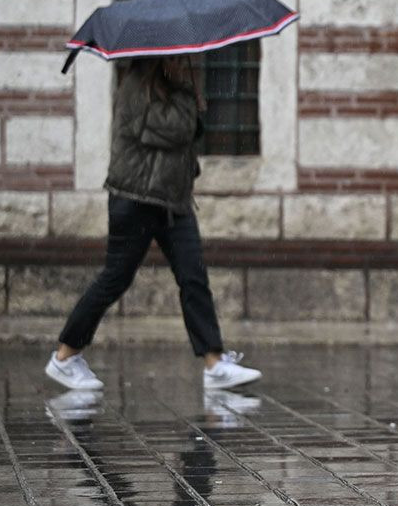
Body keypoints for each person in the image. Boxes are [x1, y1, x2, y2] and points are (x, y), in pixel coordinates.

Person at [45, 56, 261, 392]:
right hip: (135, 200)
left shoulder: (176, 88)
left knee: (193, 277)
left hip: (173, 202)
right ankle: (64, 356)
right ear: (158, 58)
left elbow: (184, 134)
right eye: (174, 57)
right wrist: (191, 102)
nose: (181, 62)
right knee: (115, 279)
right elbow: (173, 130)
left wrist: (189, 98)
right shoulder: (135, 88)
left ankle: (214, 363)